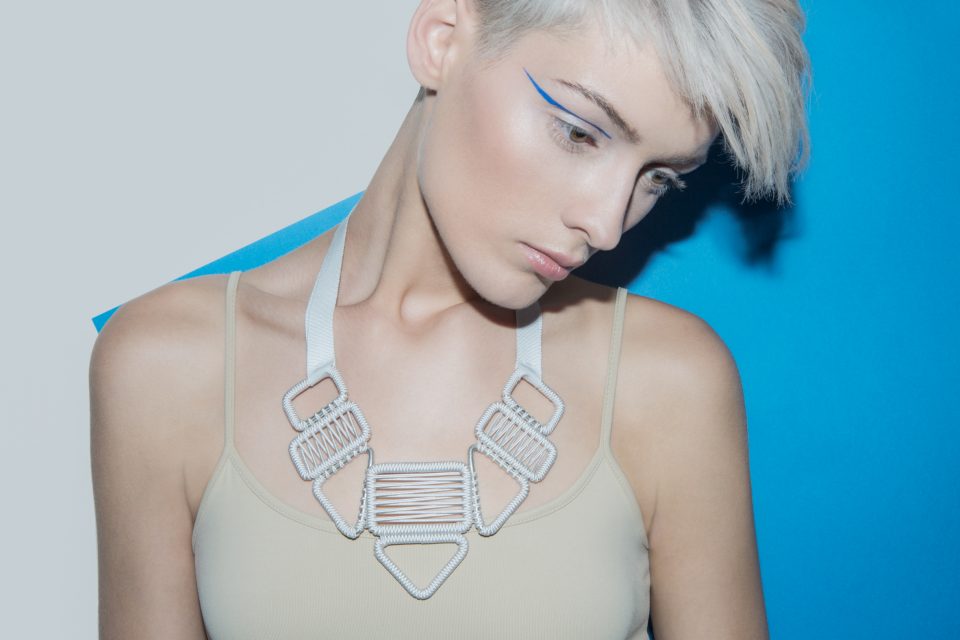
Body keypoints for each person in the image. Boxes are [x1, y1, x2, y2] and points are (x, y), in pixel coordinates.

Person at [89, 0, 809, 637]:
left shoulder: (668, 383)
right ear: (440, 40)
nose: (606, 223)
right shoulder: (168, 365)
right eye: (579, 134)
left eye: (659, 179)